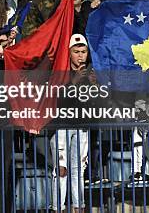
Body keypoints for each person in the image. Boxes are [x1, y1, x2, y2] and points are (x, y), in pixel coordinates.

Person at [50, 33, 93, 213]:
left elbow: (97, 102)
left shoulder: (91, 73)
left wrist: (94, 85)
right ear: (69, 53)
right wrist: (74, 82)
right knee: (61, 170)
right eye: (76, 51)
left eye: (83, 51)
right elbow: (57, 100)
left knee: (78, 171)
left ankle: (78, 207)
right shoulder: (61, 72)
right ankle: (57, 208)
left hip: (82, 127)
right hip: (61, 127)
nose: (81, 55)